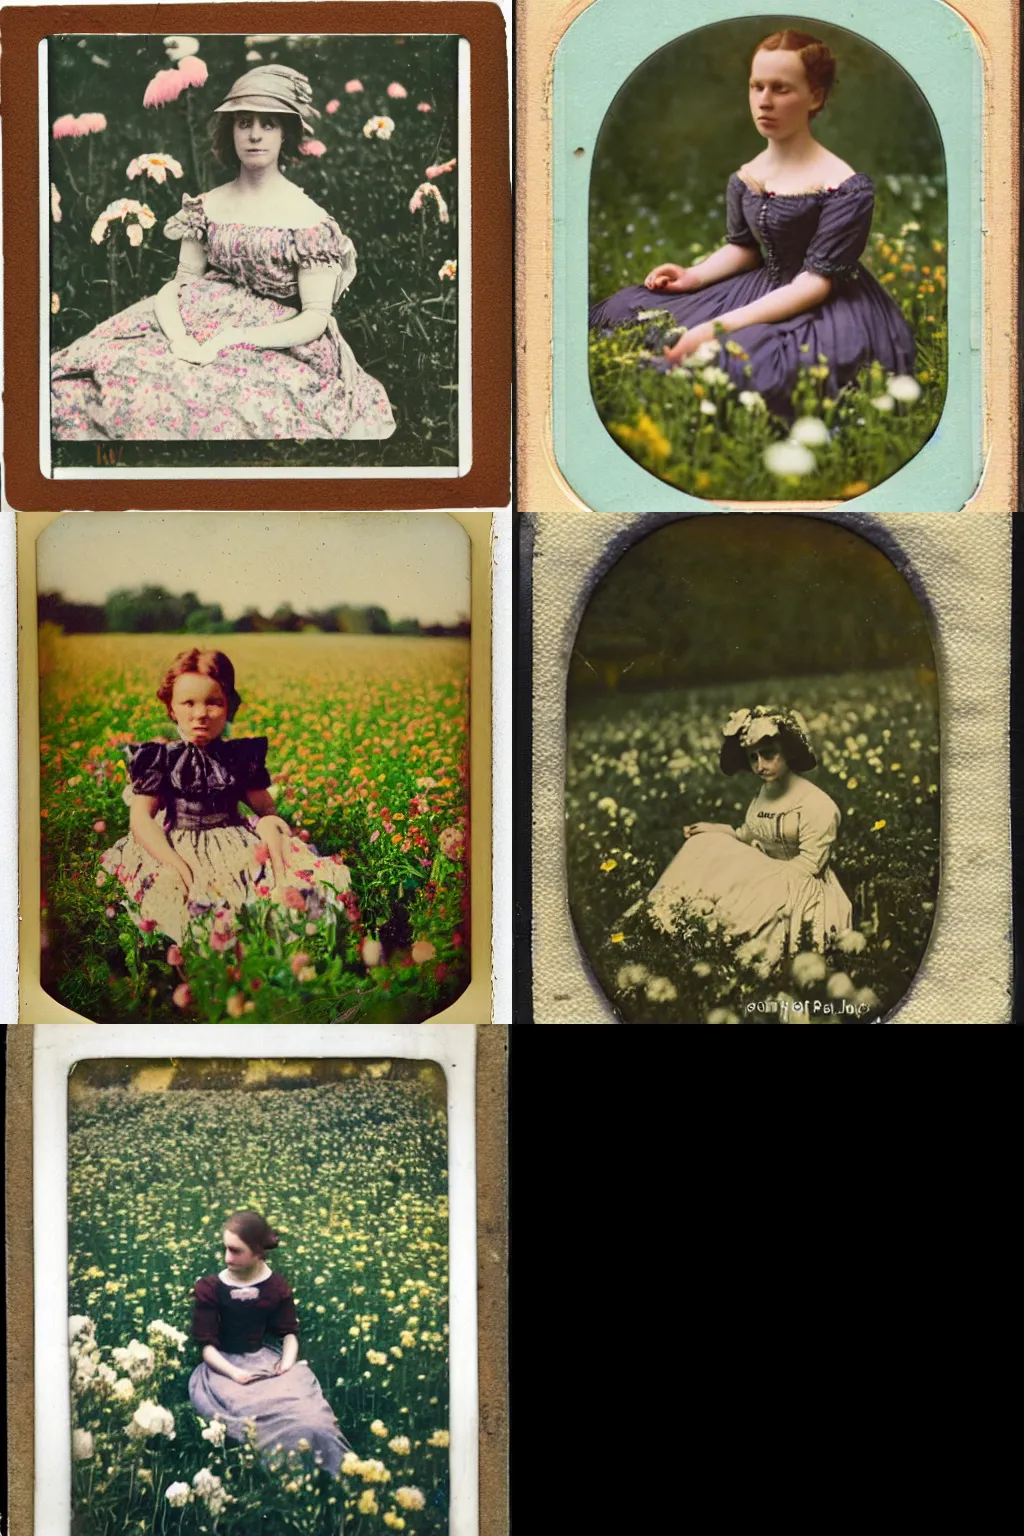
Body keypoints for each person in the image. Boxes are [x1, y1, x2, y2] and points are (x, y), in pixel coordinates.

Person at [51, 65, 396, 441]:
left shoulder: (309, 223)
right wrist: (179, 337)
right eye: (244, 122)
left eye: (269, 124)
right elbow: (181, 284)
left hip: (274, 339)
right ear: (229, 130)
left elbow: (315, 317)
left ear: (286, 135)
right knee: (106, 368)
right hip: (192, 321)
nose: (254, 135)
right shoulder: (205, 207)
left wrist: (233, 339)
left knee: (212, 395)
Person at [589, 30, 916, 417]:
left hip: (824, 303)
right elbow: (743, 248)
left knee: (748, 363)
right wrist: (692, 277)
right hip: (762, 285)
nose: (764, 102)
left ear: (815, 96)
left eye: (781, 89)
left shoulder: (844, 186)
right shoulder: (748, 175)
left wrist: (715, 328)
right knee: (626, 309)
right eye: (756, 86)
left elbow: (814, 284)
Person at [98, 647, 352, 943]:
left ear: (228, 706)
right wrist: (176, 864)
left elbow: (266, 811)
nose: (200, 714)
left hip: (235, 842)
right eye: (188, 703)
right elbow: (141, 819)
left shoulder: (238, 757)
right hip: (179, 844)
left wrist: (271, 826)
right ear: (171, 708)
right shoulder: (161, 757)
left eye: (213, 703)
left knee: (282, 891)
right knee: (179, 896)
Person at [648, 706, 853, 967]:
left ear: (787, 752)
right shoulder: (764, 794)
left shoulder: (817, 804)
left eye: (768, 755)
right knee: (704, 842)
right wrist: (716, 830)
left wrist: (754, 879)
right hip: (767, 871)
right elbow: (748, 835)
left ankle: (710, 943)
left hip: (801, 886)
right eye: (753, 758)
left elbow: (810, 866)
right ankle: (664, 915)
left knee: (740, 902)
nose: (760, 765)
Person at [189, 1210, 350, 1476]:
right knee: (258, 1418)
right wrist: (235, 1373)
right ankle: (289, 1477)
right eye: (225, 1249)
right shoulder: (211, 1287)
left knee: (310, 1415)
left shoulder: (275, 1286)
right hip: (223, 1367)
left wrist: (287, 1363)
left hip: (266, 1360)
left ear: (258, 1253)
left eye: (236, 1251)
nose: (228, 1258)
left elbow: (288, 1332)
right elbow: (206, 1346)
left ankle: (337, 1475)